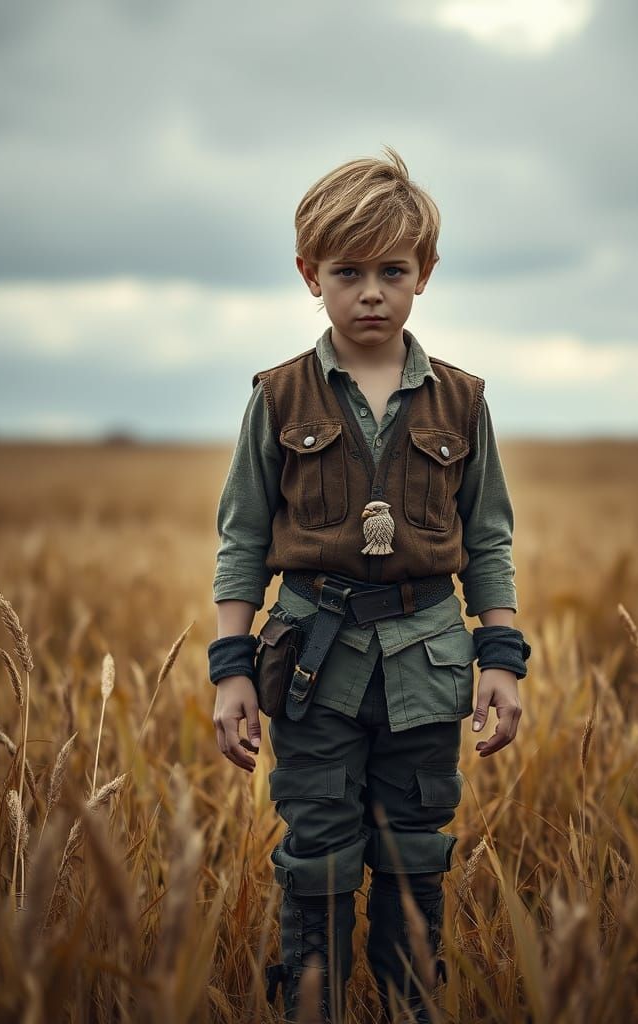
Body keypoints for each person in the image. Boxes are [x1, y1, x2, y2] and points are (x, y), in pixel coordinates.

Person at [207, 146, 530, 1023]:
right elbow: (242, 538)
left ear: (425, 273)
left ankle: (409, 1009)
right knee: (316, 849)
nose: (372, 292)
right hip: (310, 662)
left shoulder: (462, 402)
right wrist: (230, 666)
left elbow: (488, 538)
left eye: (393, 269)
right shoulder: (277, 398)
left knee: (415, 852)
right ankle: (312, 1008)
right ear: (310, 275)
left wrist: (500, 656)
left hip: (429, 663)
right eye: (349, 271)